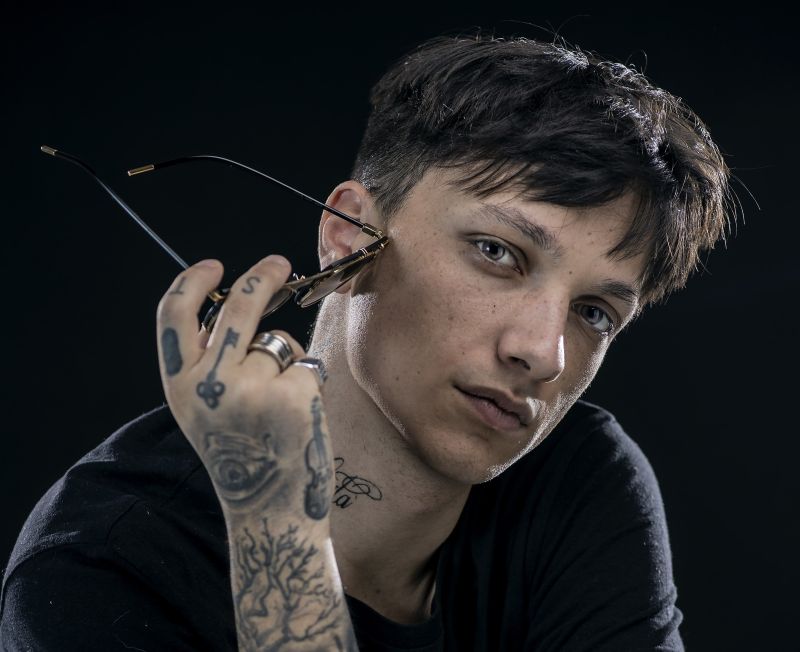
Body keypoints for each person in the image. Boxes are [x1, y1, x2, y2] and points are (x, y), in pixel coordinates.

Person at [0, 34, 731, 651]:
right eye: (497, 252)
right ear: (348, 235)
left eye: (595, 313)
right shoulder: (103, 568)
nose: (544, 353)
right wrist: (274, 520)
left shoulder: (577, 479)